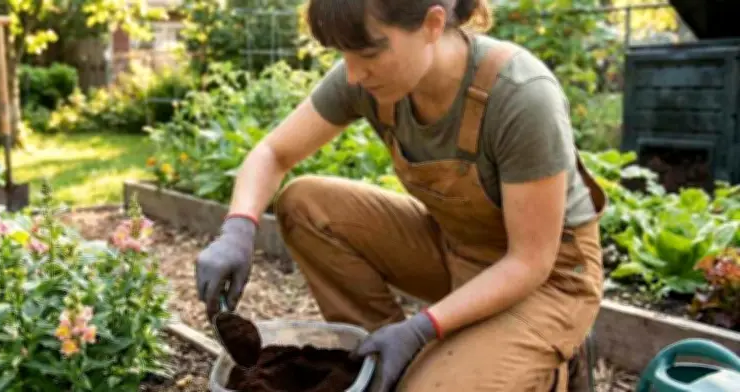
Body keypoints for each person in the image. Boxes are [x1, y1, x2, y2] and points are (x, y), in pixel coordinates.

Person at [195, 0, 607, 390]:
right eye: (344, 55)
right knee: (305, 204)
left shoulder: (520, 95)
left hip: (547, 280)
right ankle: (384, 358)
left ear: (431, 24)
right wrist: (238, 227)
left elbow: (530, 261)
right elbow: (273, 152)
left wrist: (421, 328)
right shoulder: (371, 77)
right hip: (457, 252)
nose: (353, 75)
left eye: (368, 55)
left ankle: (551, 370)